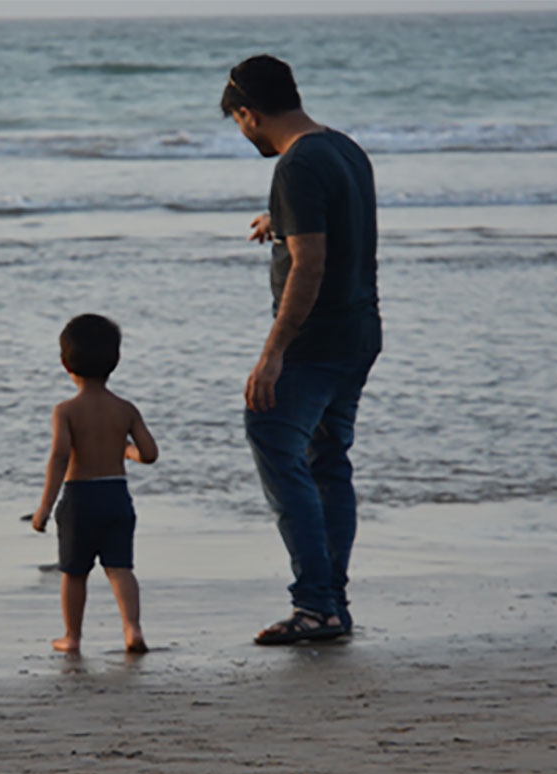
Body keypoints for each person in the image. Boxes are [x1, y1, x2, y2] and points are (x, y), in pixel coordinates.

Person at [221, 55, 382, 646]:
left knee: (273, 438)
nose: (243, 134)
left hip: (315, 341)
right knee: (327, 462)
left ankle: (315, 603)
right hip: (360, 332)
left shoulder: (296, 165)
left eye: (239, 123)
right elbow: (337, 226)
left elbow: (310, 266)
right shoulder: (343, 149)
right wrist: (282, 222)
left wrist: (273, 353)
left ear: (249, 113)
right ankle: (331, 603)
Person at [31, 314, 159, 654]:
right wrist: (126, 451)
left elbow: (59, 457)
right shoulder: (125, 409)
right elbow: (149, 453)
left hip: (80, 499)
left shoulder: (66, 411)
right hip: (116, 497)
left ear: (64, 363)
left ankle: (72, 637)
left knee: (74, 573)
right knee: (120, 569)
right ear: (115, 361)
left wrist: (44, 506)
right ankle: (132, 629)